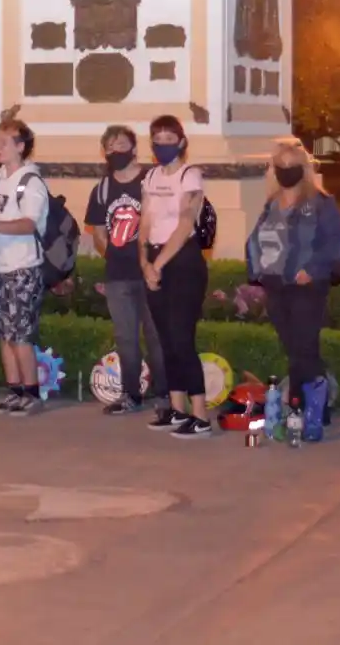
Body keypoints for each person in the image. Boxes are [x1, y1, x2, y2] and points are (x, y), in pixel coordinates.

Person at [247, 141, 340, 434]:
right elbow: (258, 239)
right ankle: (313, 405)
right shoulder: (271, 203)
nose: (286, 171)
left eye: (292, 165)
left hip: (307, 286)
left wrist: (312, 270)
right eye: (281, 165)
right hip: (276, 284)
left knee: (304, 348)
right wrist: (257, 269)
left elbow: (335, 244)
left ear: (303, 168)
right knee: (295, 349)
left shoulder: (320, 203)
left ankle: (305, 409)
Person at [84, 125, 167, 415]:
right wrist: (112, 252)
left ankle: (165, 393)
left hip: (150, 272)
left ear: (133, 148)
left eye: (120, 144)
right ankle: (131, 394)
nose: (115, 151)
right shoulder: (102, 189)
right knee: (126, 338)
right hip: (118, 276)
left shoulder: (151, 181)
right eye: (109, 146)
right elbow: (98, 231)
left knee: (157, 336)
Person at [140, 115, 212, 439]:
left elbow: (185, 224)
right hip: (155, 259)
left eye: (169, 139)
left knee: (182, 339)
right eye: (157, 140)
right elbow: (144, 223)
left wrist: (158, 264)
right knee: (165, 339)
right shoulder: (151, 176)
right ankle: (177, 408)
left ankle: (201, 415)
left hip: (182, 261)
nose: (163, 145)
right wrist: (145, 262)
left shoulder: (189, 175)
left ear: (181, 142)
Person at [0, 118, 48, 416]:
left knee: (20, 335)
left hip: (21, 268)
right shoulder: (1, 179)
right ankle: (14, 390)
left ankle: (32, 392)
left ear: (20, 146)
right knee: (4, 334)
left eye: (4, 143)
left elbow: (29, 224)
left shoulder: (30, 182)